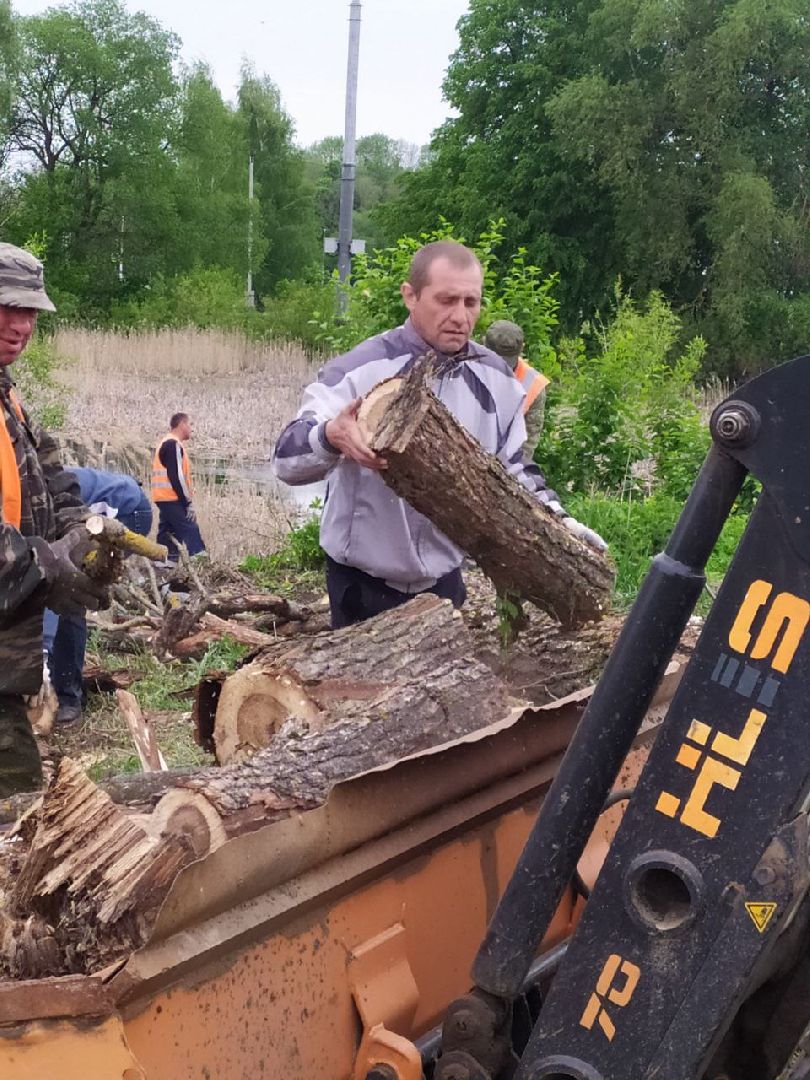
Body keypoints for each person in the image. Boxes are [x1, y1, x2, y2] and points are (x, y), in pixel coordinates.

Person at [273, 240, 605, 629]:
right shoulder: (361, 369)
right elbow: (285, 459)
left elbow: (515, 471)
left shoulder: (498, 380)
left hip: (444, 582)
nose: (460, 316)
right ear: (410, 296)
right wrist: (331, 437)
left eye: (471, 302)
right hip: (361, 584)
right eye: (446, 300)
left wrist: (562, 523)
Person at [0, 242, 110, 795]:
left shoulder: (6, 393)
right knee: (16, 807)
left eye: (31, 312)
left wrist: (82, 536)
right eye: (7, 308)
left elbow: (50, 475)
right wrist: (50, 567)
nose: (20, 325)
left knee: (19, 803)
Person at [43, 467, 152, 725]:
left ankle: (69, 698)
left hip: (128, 510)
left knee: (70, 591)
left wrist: (42, 662)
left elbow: (44, 595)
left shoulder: (35, 498)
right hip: (96, 510)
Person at [485, 320, 550, 453]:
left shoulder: (533, 385)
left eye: (506, 362)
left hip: (503, 461)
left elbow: (527, 444)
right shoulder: (464, 365)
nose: (501, 368)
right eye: (495, 360)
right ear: (483, 345)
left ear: (522, 349)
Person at [151, 412, 205, 561]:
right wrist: (186, 502)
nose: (191, 429)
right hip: (171, 497)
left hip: (163, 497)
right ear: (182, 424)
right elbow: (176, 476)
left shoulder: (167, 442)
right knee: (190, 528)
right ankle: (202, 564)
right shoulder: (172, 444)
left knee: (168, 532)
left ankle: (165, 564)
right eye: (190, 424)